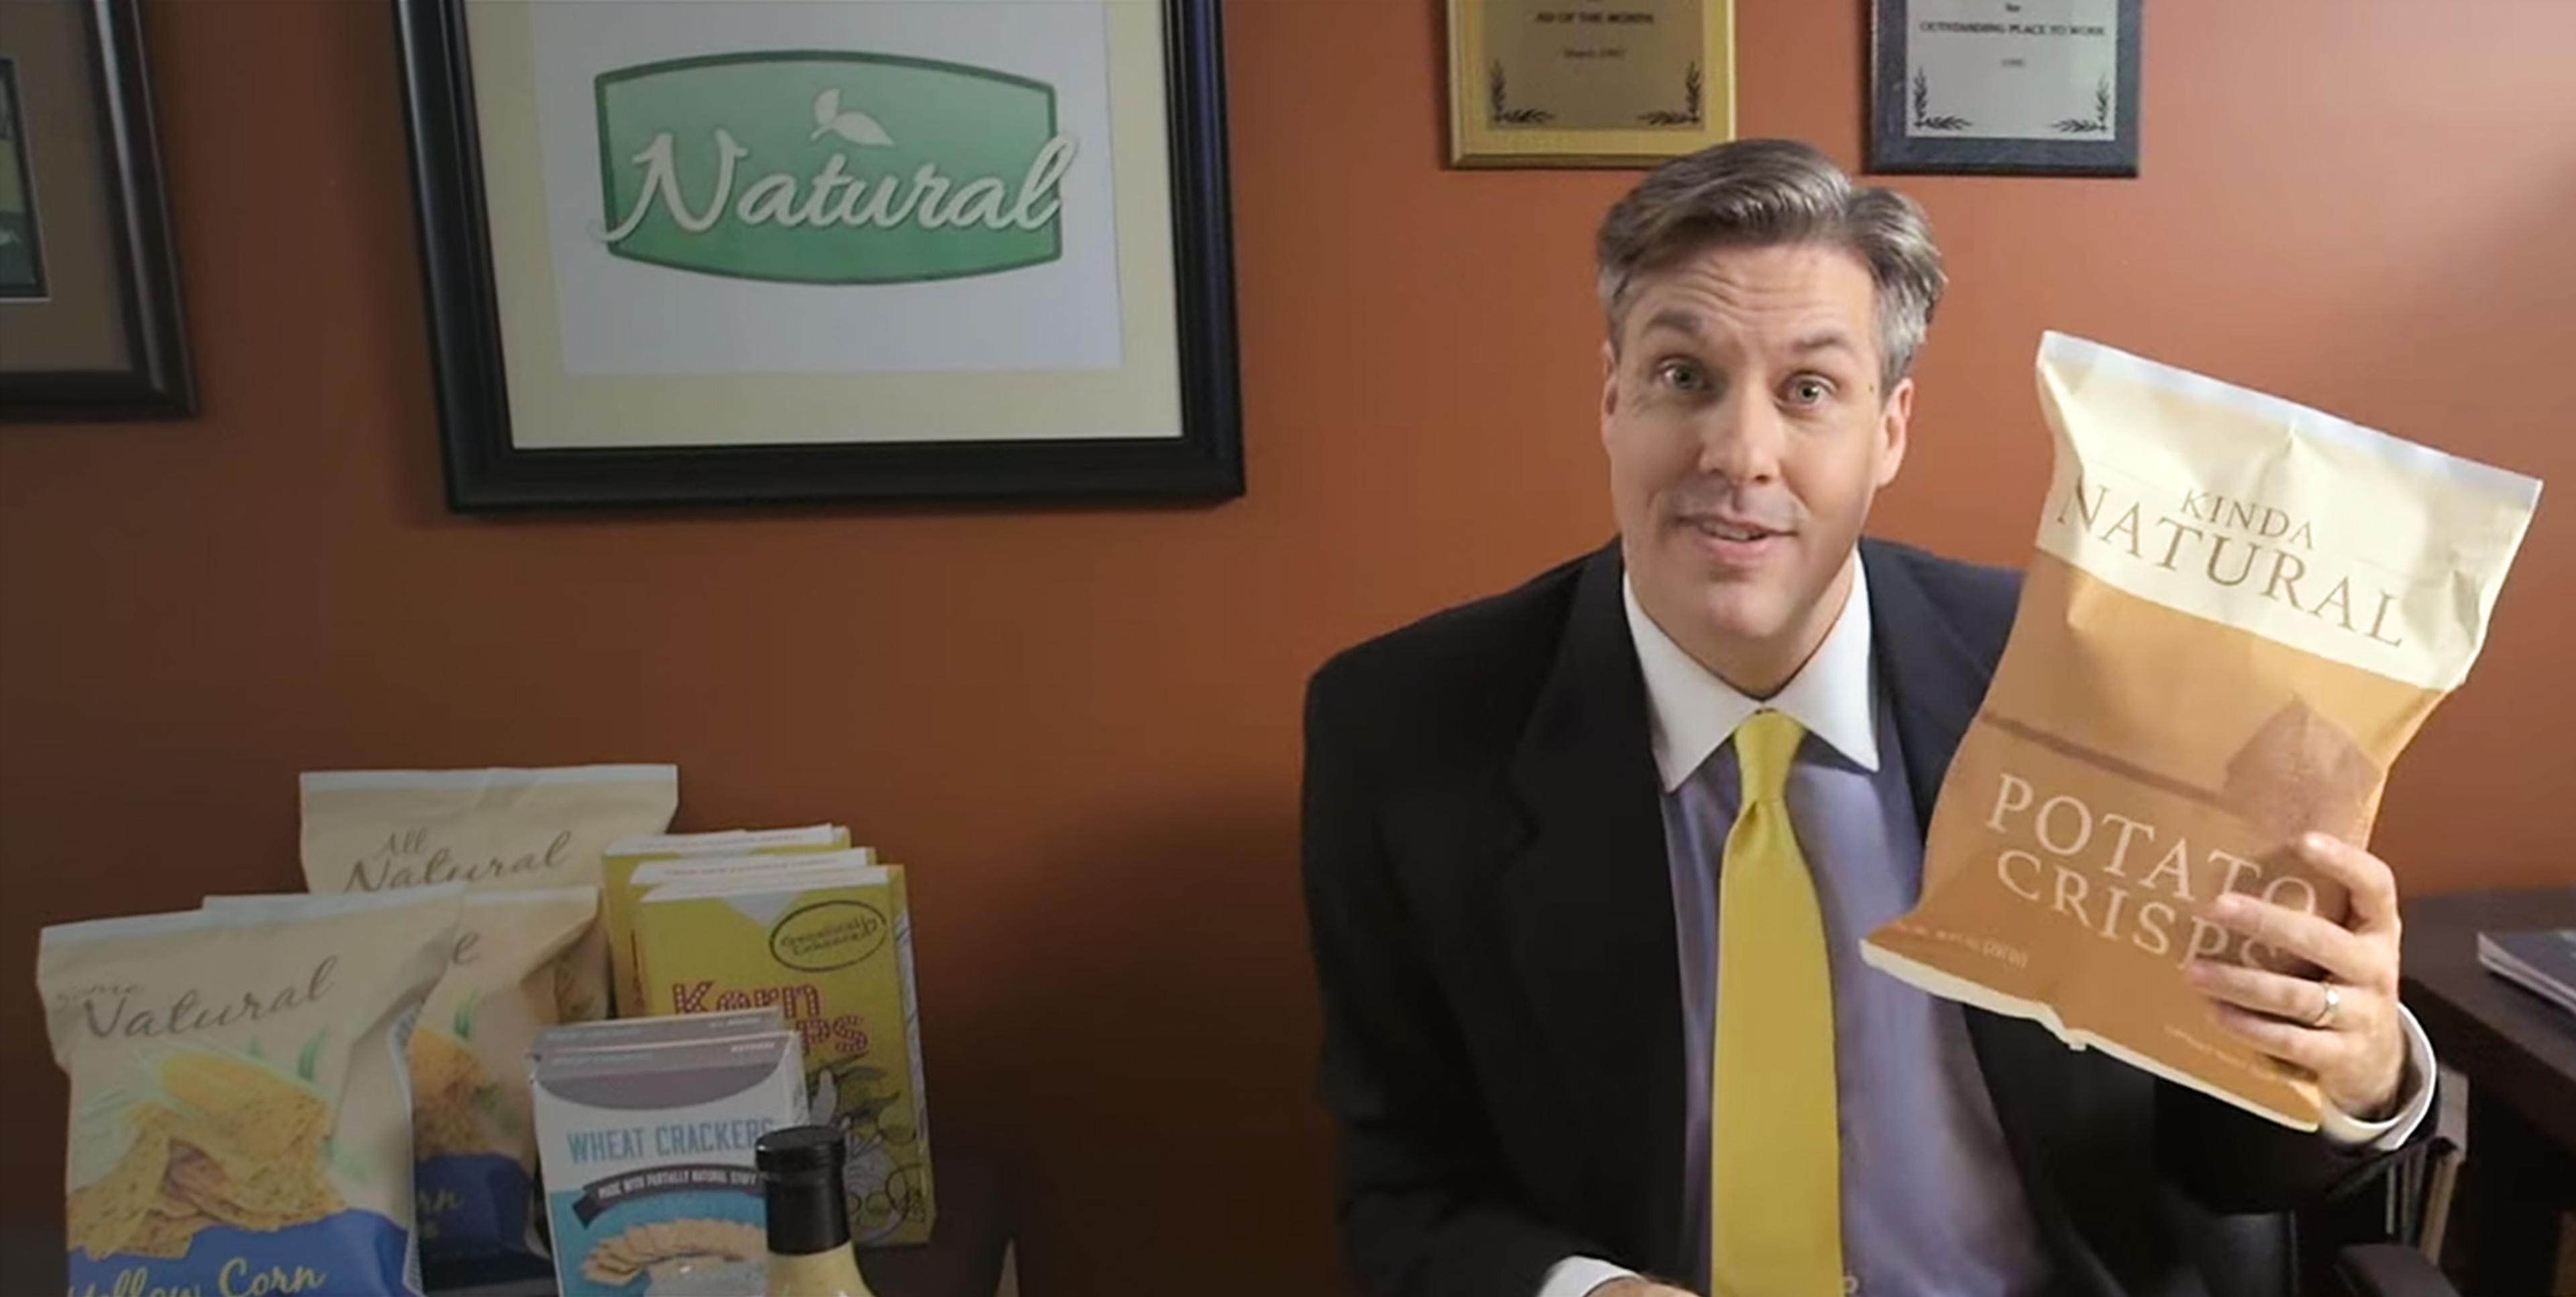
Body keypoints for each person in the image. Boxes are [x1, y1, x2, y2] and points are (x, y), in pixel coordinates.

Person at [1297, 139, 2435, 1297]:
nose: (1739, 454)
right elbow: (1402, 1194)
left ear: (1890, 428)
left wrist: (2355, 1069)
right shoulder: (1402, 735)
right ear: (1611, 397)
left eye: (1808, 391)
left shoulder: (2094, 680)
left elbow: (2223, 1155)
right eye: (1684, 375)